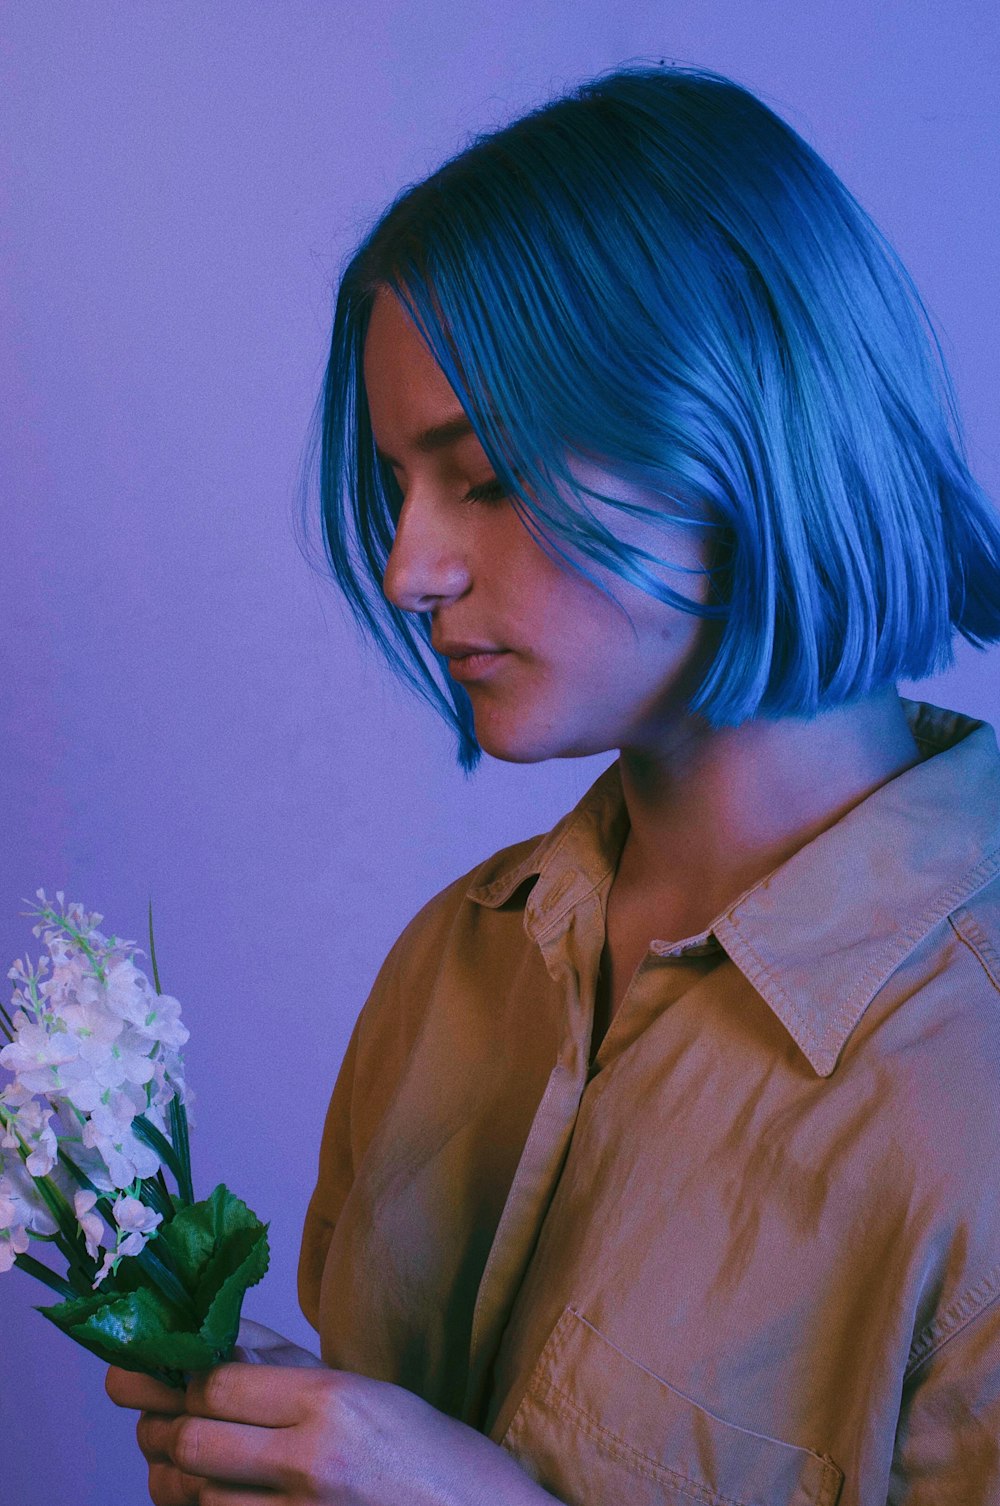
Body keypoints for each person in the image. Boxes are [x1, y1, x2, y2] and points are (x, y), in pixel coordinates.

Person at [107, 61, 1000, 1505]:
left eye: (488, 475)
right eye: (399, 485)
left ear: (737, 426)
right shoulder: (454, 962)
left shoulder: (975, 1085)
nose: (409, 570)